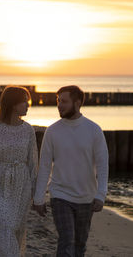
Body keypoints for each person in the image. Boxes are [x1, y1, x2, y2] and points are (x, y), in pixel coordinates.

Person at [32, 85, 109, 257]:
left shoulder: (93, 130)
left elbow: (103, 164)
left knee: (80, 245)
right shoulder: (52, 131)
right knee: (67, 239)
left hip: (86, 197)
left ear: (78, 103)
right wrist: (39, 197)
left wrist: (101, 194)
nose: (59, 105)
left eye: (64, 101)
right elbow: (44, 166)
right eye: (58, 101)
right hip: (60, 195)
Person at [0, 86, 38, 256]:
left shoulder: (28, 130)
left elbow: (33, 162)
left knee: (16, 228)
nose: (28, 105)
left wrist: (36, 193)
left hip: (21, 184)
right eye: (25, 101)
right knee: (5, 226)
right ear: (12, 103)